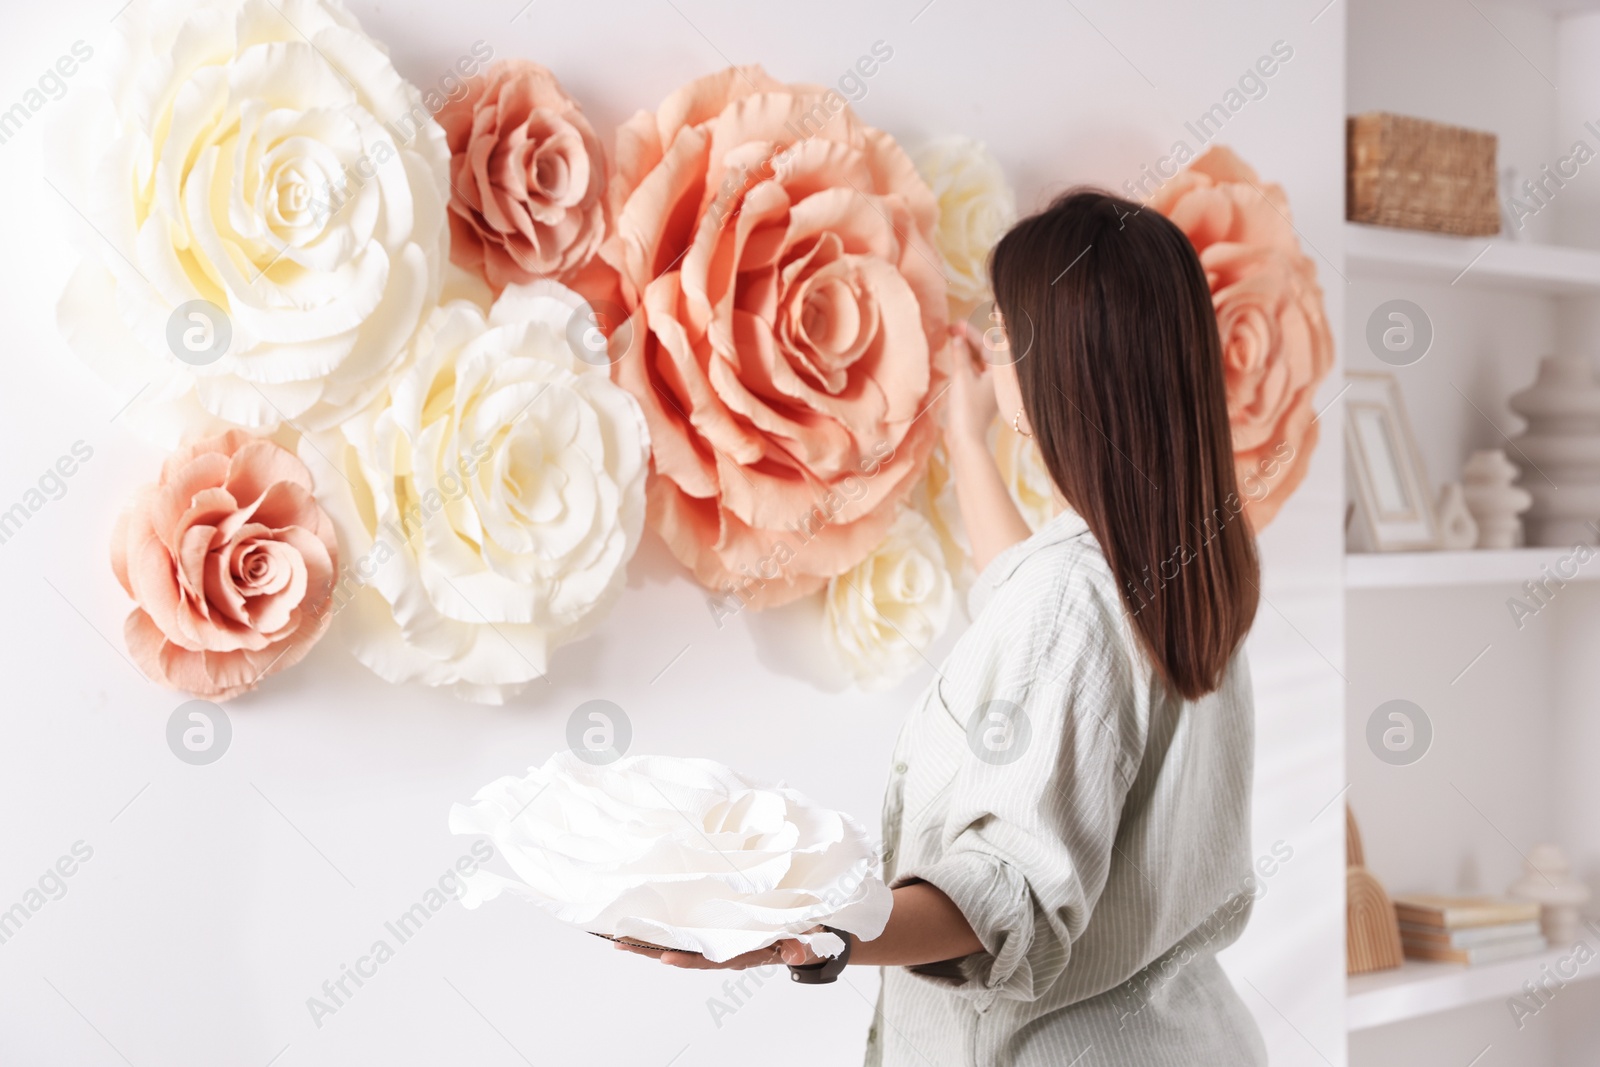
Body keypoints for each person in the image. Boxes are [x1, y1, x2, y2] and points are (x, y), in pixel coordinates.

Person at [620, 190, 1268, 1067]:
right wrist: (968, 436)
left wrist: (800, 924)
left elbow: (1002, 900)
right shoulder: (1188, 567)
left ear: (1059, 370)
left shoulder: (1072, 605)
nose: (991, 357)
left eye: (1002, 336)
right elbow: (1031, 605)